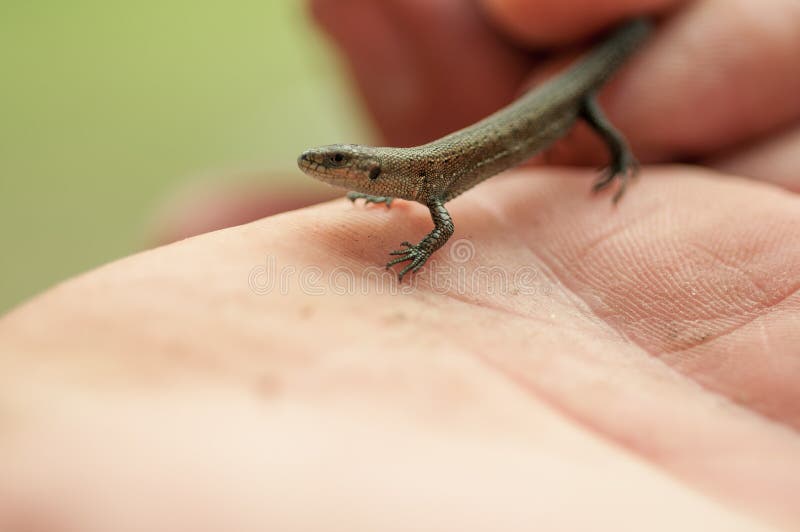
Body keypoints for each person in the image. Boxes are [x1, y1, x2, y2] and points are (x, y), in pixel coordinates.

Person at [1, 0, 799, 529]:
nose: (326, 167)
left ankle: (622, 124)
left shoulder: (429, 183)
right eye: (335, 166)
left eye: (342, 165)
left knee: (598, 103)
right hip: (564, 97)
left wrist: (420, 245)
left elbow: (444, 226)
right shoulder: (415, 180)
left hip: (566, 98)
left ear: (375, 174)